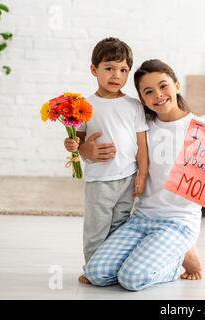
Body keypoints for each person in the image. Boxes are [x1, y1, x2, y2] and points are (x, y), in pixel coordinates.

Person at [82, 59, 205, 291]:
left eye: (164, 86)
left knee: (131, 279)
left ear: (176, 85)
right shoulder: (143, 127)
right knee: (96, 273)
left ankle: (178, 258)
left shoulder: (202, 131)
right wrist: (85, 150)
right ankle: (154, 252)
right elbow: (116, 151)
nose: (158, 95)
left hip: (178, 223)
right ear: (142, 100)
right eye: (148, 92)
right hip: (141, 218)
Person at [63, 37, 149, 284]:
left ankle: (112, 266)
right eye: (109, 68)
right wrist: (77, 148)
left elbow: (142, 145)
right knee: (96, 228)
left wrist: (142, 175)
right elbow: (76, 141)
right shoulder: (85, 106)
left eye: (123, 70)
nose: (116, 75)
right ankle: (92, 268)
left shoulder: (134, 106)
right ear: (94, 70)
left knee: (120, 226)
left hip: (127, 178)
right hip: (100, 180)